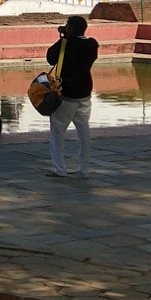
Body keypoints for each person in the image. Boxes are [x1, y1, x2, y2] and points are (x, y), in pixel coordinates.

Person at [46, 15, 98, 178]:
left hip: (66, 94)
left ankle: (60, 169)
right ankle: (84, 169)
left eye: (67, 26)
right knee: (84, 133)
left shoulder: (66, 44)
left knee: (58, 132)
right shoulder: (91, 45)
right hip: (84, 94)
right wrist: (66, 37)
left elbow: (50, 58)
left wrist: (63, 38)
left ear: (71, 29)